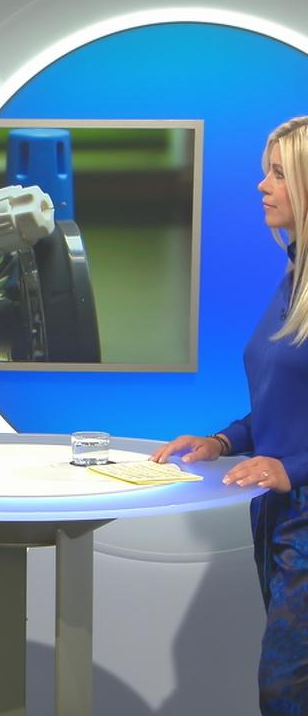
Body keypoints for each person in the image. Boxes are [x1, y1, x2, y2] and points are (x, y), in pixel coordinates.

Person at [151, 116, 308, 714]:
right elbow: (283, 402)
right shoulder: (294, 277)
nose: (261, 186)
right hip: (277, 516)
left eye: (278, 174)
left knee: (286, 689)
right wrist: (222, 441)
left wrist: (292, 468)